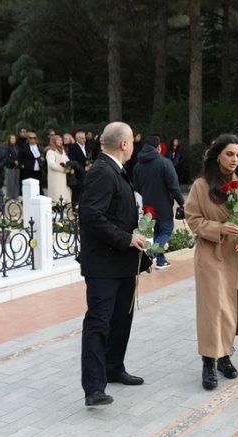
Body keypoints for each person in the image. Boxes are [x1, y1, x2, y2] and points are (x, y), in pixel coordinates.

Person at [184, 134, 238, 391]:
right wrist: (218, 228)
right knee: (213, 310)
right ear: (217, 154)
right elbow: (193, 219)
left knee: (234, 308)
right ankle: (209, 361)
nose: (234, 160)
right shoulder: (201, 185)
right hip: (212, 256)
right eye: (229, 154)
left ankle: (225, 356)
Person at [78, 121, 151, 407]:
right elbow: (92, 216)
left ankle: (114, 367)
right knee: (99, 323)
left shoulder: (116, 170)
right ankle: (94, 387)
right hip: (104, 266)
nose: (134, 145)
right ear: (123, 144)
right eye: (132, 140)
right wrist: (126, 238)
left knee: (122, 318)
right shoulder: (101, 171)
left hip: (122, 263)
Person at [133, 135, 185, 269]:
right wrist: (182, 202)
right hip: (163, 205)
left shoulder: (138, 165)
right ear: (158, 148)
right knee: (167, 231)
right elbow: (174, 186)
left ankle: (161, 261)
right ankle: (151, 255)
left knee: (157, 232)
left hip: (148, 206)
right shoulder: (165, 163)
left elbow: (136, 187)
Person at [45, 134, 72, 204]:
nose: (60, 142)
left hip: (63, 177)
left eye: (61, 140)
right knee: (56, 196)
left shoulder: (62, 151)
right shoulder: (50, 151)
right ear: (53, 141)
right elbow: (51, 164)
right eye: (58, 140)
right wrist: (63, 169)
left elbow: (67, 160)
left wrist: (69, 166)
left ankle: (63, 210)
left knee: (63, 195)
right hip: (55, 178)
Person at [67, 131, 88, 203]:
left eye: (85, 138)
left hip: (85, 173)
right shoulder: (73, 147)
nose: (84, 140)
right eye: (82, 138)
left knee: (84, 191)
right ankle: (75, 208)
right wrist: (82, 168)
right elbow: (72, 161)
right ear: (77, 139)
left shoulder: (85, 147)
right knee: (77, 193)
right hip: (77, 174)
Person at [2, 134, 20, 200]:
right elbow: (6, 158)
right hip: (10, 167)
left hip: (17, 167)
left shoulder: (17, 147)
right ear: (9, 139)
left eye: (14, 138)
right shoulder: (7, 147)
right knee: (10, 183)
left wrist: (18, 162)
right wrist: (13, 161)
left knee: (16, 183)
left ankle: (16, 197)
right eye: (12, 138)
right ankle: (10, 197)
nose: (13, 140)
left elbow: (19, 156)